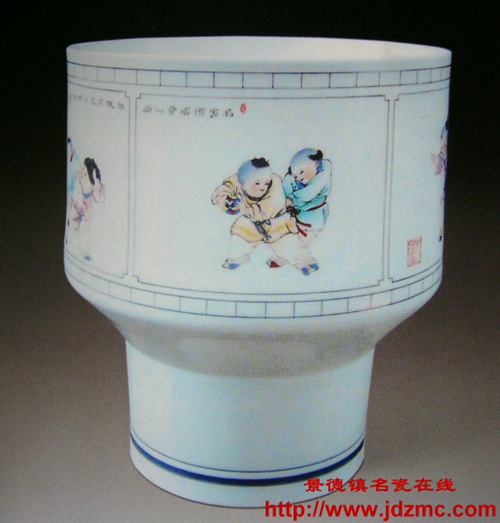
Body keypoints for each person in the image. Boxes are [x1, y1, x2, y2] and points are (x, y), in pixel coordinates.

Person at [211, 158, 318, 274]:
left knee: (288, 244)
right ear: (242, 183)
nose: (262, 187)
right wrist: (226, 201)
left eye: (266, 183)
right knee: (240, 239)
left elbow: (272, 206)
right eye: (257, 183)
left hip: (276, 221)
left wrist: (248, 210)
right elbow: (223, 190)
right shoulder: (237, 181)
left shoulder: (275, 182)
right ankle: (235, 259)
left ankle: (306, 263)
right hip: (250, 223)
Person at [282, 149, 332, 247]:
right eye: (296, 176)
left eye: (302, 172)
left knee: (306, 241)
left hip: (313, 217)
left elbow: (308, 194)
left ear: (316, 164)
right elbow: (287, 182)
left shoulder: (323, 176)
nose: (299, 178)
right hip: (298, 215)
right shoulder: (298, 179)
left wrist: (291, 200)